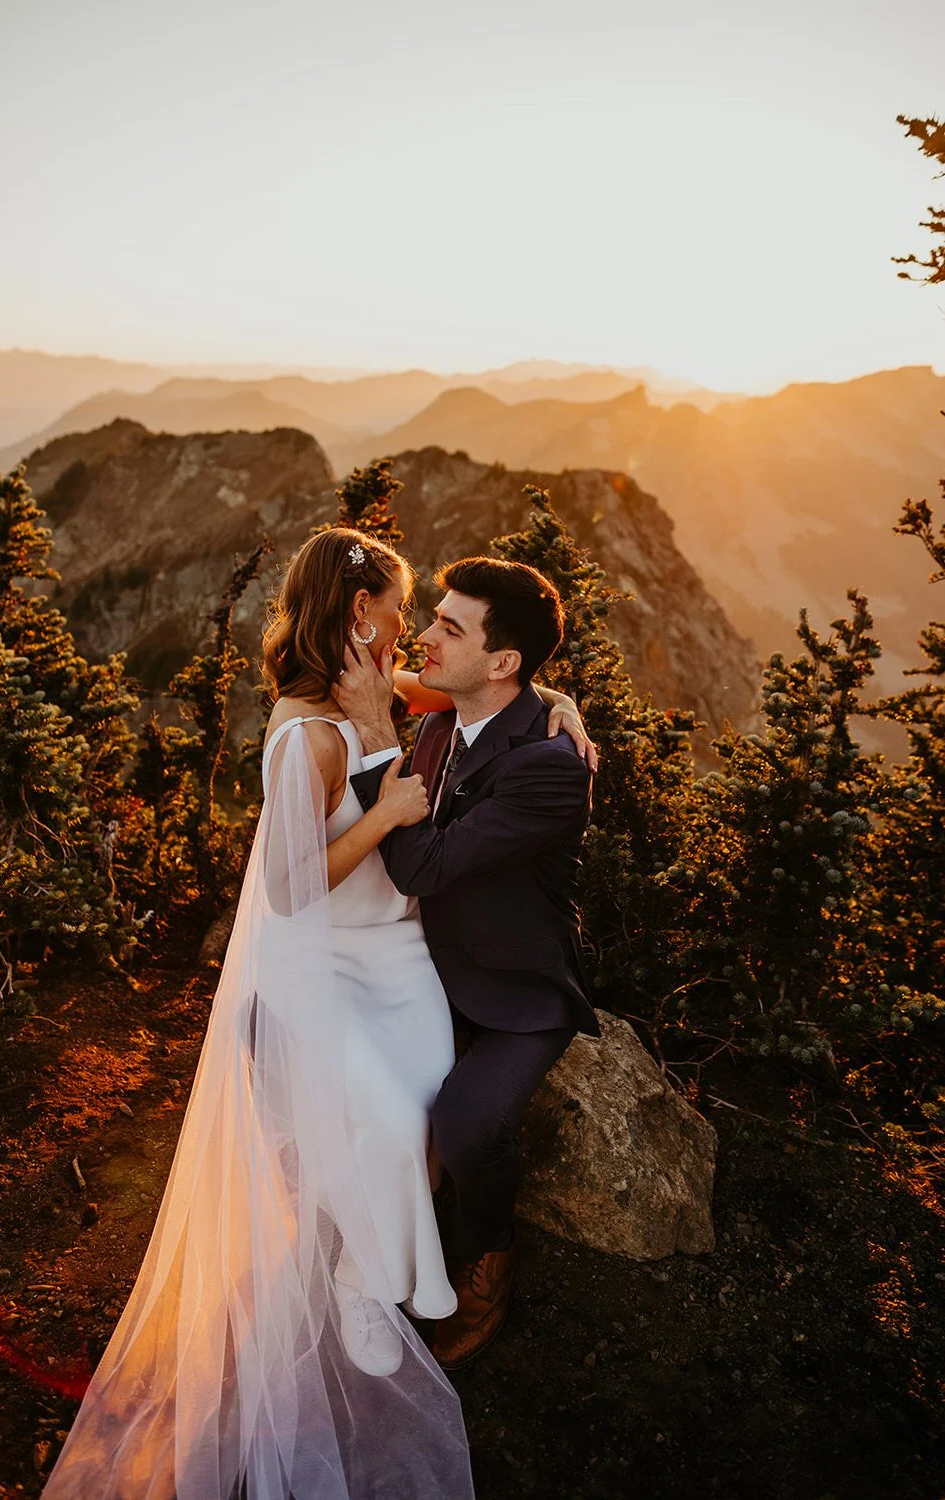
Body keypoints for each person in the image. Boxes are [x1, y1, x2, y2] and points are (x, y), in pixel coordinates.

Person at [43, 528, 589, 1500]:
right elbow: (299, 882)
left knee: (425, 1114)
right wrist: (382, 802)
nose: (419, 629)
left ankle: (397, 1271)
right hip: (336, 954)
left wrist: (560, 699)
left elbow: (481, 702)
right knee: (387, 1119)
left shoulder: (396, 696)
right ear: (357, 612)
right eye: (407, 606)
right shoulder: (312, 730)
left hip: (412, 959)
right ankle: (366, 1287)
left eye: (440, 620)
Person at [338, 555, 599, 1371]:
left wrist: (382, 744)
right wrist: (558, 694)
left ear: (502, 661)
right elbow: (360, 672)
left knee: (463, 1123)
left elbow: (417, 866)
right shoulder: (451, 709)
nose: (424, 634)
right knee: (342, 1072)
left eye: (449, 627)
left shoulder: (552, 770)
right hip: (427, 967)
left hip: (517, 994)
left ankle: (489, 1254)